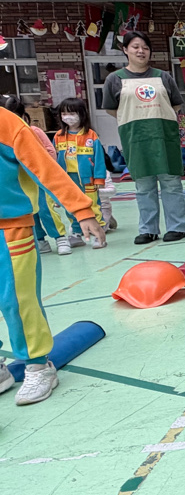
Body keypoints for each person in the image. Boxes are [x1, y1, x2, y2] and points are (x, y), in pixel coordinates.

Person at [0, 106, 105, 407]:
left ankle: (38, 365)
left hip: (11, 228)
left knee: (17, 299)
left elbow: (46, 170)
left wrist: (82, 211)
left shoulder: (7, 124)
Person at [102, 30, 185, 245]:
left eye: (145, 47)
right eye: (135, 47)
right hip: (136, 138)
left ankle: (176, 227)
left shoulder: (163, 76)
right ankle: (148, 229)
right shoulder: (115, 79)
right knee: (143, 185)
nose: (141, 51)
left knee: (171, 183)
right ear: (125, 50)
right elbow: (111, 109)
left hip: (164, 136)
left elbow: (176, 104)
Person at [1, 95, 71, 256]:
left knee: (46, 210)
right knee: (31, 213)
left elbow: (50, 152)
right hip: (19, 184)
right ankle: (40, 240)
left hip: (38, 181)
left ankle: (60, 237)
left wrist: (40, 166)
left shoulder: (32, 131)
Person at [53, 97, 107, 249]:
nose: (67, 117)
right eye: (64, 114)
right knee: (71, 206)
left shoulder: (91, 135)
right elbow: (53, 159)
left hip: (87, 179)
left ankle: (98, 234)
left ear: (81, 114)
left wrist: (99, 179)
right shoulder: (58, 136)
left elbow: (99, 159)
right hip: (67, 179)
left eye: (71, 113)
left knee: (93, 205)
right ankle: (76, 233)